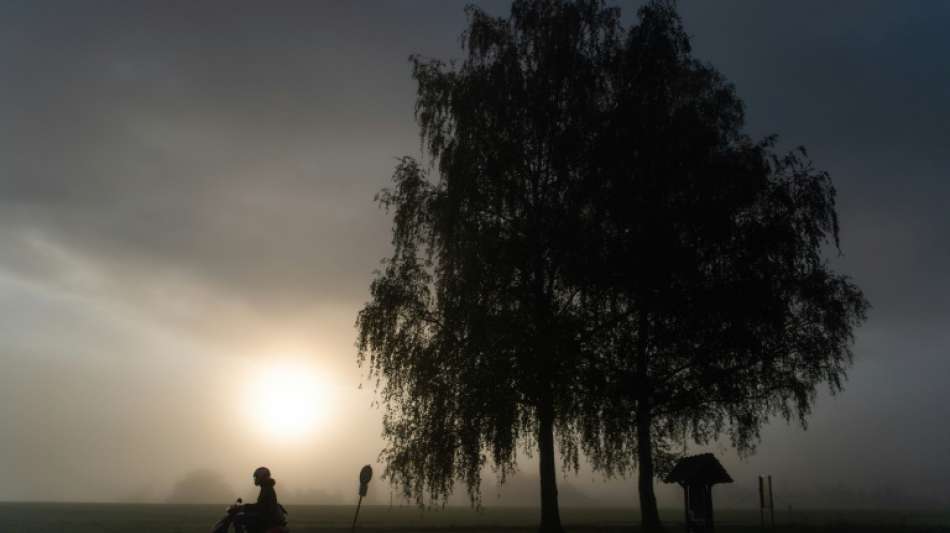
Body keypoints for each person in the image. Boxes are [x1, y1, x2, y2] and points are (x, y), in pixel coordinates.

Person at [225, 467, 288, 533]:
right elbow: (261, 505)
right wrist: (245, 507)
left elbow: (260, 507)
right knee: (241, 518)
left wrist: (244, 507)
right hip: (265, 517)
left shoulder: (267, 489)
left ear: (262, 477)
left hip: (265, 519)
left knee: (238, 518)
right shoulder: (266, 487)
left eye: (256, 477)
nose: (255, 479)